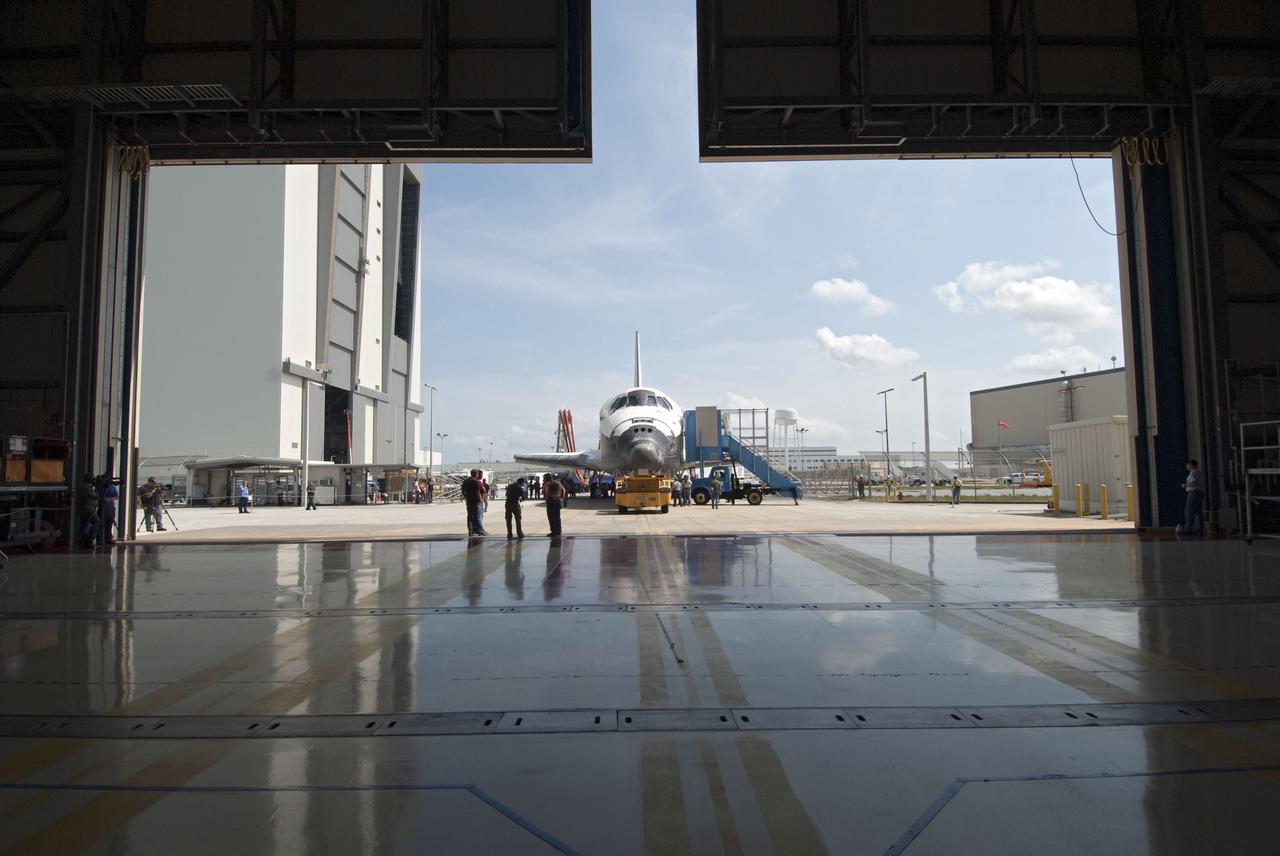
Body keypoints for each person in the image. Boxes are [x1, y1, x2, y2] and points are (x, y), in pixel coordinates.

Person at [1178, 458, 1203, 535]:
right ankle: (1200, 528)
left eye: (1188, 464)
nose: (1187, 466)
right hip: (1199, 492)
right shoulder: (1199, 472)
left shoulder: (1192, 473)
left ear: (1191, 465)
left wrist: (1185, 485)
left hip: (1193, 493)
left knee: (1188, 511)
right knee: (1198, 511)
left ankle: (1188, 528)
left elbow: (1193, 483)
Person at [77, 475, 100, 548]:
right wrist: (102, 498)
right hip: (87, 510)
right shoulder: (85, 488)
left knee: (85, 525)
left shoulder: (87, 488)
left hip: (89, 509)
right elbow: (92, 496)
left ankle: (84, 540)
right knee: (96, 522)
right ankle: (88, 540)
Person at [461, 469, 485, 535]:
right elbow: (478, 491)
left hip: (469, 501)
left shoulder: (466, 481)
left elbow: (463, 491)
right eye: (477, 474)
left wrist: (466, 498)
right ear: (476, 474)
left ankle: (471, 531)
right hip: (476, 501)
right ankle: (480, 531)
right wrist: (480, 500)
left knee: (470, 517)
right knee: (478, 516)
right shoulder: (475, 482)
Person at [100, 476, 119, 544]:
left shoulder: (112, 487)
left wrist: (111, 499)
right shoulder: (101, 488)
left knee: (109, 523)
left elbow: (117, 496)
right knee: (102, 523)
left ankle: (108, 538)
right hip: (104, 507)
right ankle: (101, 538)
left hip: (111, 507)